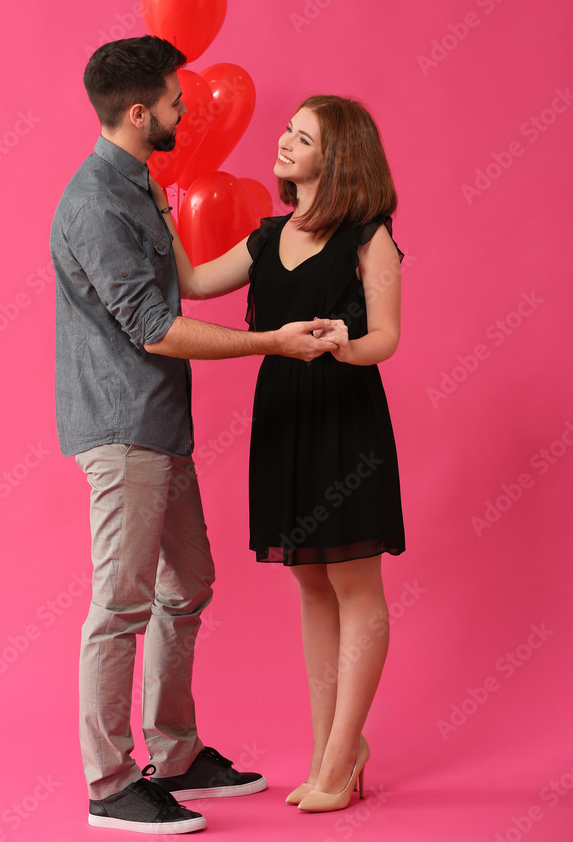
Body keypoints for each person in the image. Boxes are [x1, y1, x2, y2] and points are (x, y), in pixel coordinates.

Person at [49, 36, 338, 835]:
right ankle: (108, 785)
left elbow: (186, 276)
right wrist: (270, 342)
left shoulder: (141, 178)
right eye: (177, 102)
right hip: (123, 429)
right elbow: (154, 328)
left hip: (160, 427)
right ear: (140, 114)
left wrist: (284, 250)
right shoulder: (95, 206)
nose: (188, 110)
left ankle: (173, 754)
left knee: (188, 585)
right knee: (120, 606)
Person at [158, 93, 405, 816]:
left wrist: (343, 345)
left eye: (302, 135)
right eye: (288, 130)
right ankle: (336, 746)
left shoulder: (369, 237)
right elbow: (195, 282)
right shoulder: (267, 238)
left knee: (356, 587)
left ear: (337, 157)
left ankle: (335, 758)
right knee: (311, 585)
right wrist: (161, 209)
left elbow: (387, 335)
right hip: (284, 421)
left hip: (343, 420)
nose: (284, 140)